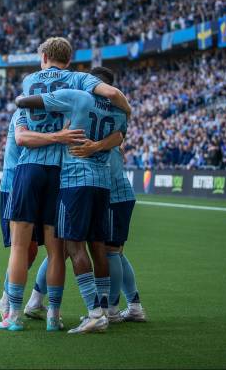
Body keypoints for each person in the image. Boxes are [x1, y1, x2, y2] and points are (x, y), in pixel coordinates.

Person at [0, 37, 131, 333]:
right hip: (65, 172)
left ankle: (13, 313)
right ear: (69, 60)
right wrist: (127, 112)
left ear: (44, 56)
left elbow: (23, 114)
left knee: (20, 246)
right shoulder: (79, 83)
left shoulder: (32, 81)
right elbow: (111, 100)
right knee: (58, 251)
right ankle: (54, 316)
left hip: (34, 166)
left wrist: (24, 102)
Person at [70, 67, 146, 323]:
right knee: (116, 253)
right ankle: (133, 305)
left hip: (114, 194)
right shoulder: (115, 117)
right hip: (116, 193)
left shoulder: (98, 118)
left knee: (111, 252)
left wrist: (94, 147)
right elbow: (120, 137)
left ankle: (111, 308)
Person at [0, 109, 85, 322]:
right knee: (26, 247)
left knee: (48, 248)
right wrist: (58, 136)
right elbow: (23, 138)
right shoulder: (25, 111)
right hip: (15, 183)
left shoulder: (60, 111)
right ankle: (7, 301)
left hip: (46, 182)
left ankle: (34, 301)